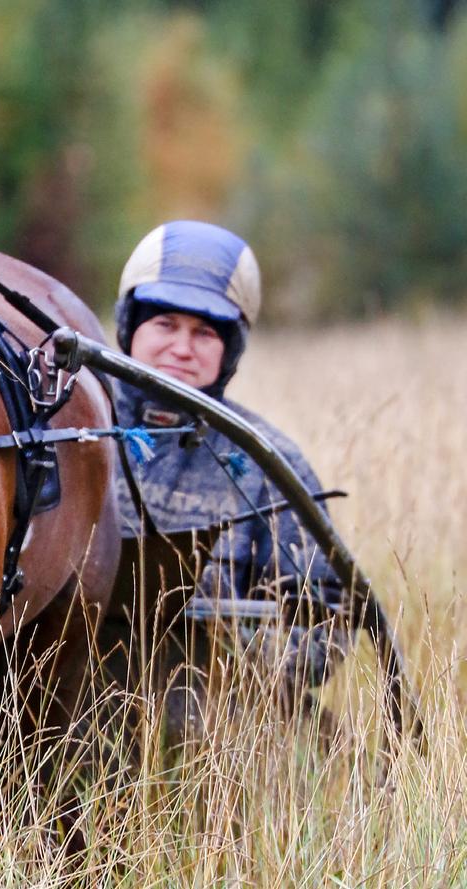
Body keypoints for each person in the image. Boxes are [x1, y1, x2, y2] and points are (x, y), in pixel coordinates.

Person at [108, 220, 349, 722]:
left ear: (232, 348)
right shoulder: (59, 427)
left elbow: (328, 620)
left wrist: (234, 659)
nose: (182, 347)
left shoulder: (268, 462)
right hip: (54, 716)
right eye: (165, 324)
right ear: (130, 325)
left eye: (205, 333)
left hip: (213, 734)